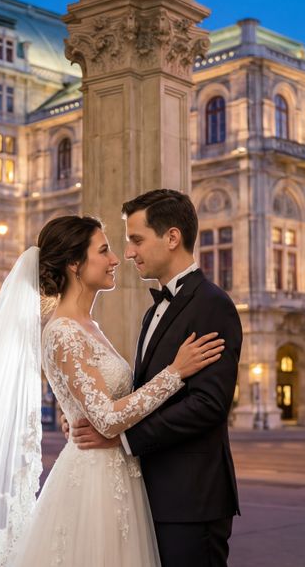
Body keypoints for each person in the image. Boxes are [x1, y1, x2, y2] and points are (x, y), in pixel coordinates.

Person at [0, 213, 226, 566]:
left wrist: (73, 412)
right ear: (75, 264)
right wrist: (174, 373)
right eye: (104, 250)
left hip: (117, 473)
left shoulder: (88, 325)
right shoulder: (62, 331)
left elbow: (97, 402)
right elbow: (105, 418)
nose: (116, 258)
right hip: (95, 479)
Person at [68, 189, 243, 566]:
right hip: (150, 495)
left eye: (136, 240)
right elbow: (142, 391)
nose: (128, 253)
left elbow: (208, 405)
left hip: (191, 500)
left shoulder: (212, 304)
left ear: (172, 237)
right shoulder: (152, 313)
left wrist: (121, 438)